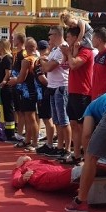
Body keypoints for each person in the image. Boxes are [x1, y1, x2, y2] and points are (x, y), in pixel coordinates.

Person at [62, 26, 94, 165]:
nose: (67, 39)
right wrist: (67, 53)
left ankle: (86, 156)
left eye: (68, 37)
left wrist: (69, 53)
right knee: (74, 124)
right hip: (72, 91)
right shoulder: (74, 51)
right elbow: (64, 65)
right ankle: (76, 155)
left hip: (83, 92)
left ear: (76, 38)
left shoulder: (86, 51)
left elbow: (74, 65)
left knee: (83, 127)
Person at [41, 26, 71, 157]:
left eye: (50, 34)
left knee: (64, 120)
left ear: (57, 35)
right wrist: (44, 62)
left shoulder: (62, 48)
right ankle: (59, 146)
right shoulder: (54, 49)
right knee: (57, 120)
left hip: (61, 86)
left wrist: (41, 61)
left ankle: (67, 148)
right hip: (53, 87)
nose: (49, 37)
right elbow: (46, 66)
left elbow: (48, 67)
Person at [12, 156, 82, 192]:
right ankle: (82, 170)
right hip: (43, 177)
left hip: (60, 172)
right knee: (59, 177)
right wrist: (22, 178)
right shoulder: (21, 168)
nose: (24, 156)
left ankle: (84, 171)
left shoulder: (39, 161)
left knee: (69, 176)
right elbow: (15, 180)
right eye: (21, 157)